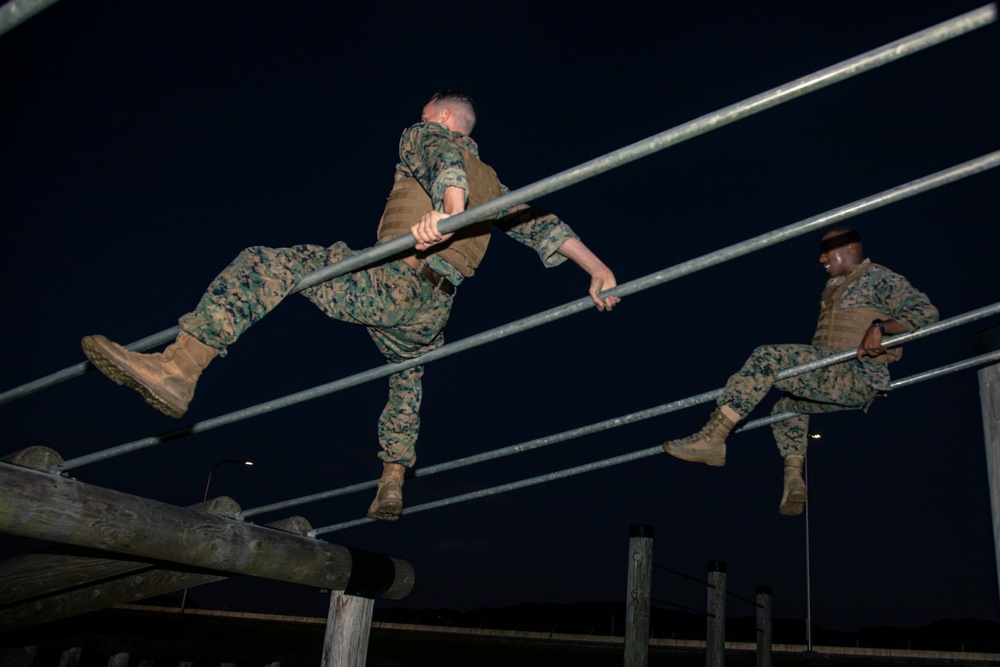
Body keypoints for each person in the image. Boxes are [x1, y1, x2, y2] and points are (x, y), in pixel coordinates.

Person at [81, 90, 621, 522]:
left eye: (427, 116)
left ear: (442, 116)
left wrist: (450, 206)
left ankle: (180, 366)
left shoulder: (428, 134)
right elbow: (541, 225)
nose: (420, 123)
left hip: (396, 281)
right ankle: (392, 479)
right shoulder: (496, 184)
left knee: (269, 265)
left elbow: (436, 156)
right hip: (435, 309)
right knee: (406, 378)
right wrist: (596, 268)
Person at [662, 227, 937, 515]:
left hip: (854, 375)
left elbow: (924, 312)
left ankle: (713, 437)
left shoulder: (878, 277)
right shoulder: (835, 287)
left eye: (827, 250)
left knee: (767, 357)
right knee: (786, 408)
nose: (821, 259)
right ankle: (794, 480)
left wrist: (881, 328)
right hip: (835, 377)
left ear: (850, 249)